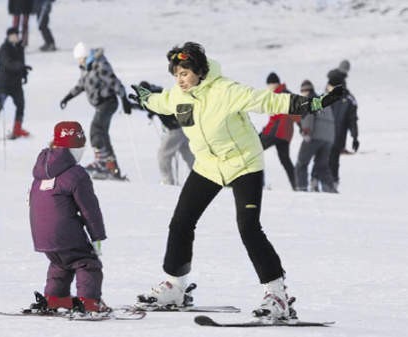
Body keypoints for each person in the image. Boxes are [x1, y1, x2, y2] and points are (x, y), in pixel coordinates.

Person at [129, 42, 343, 321]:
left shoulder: (226, 90)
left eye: (185, 73)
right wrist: (146, 97)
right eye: (176, 74)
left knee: (248, 228)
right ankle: (174, 286)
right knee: (181, 222)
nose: (180, 79)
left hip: (244, 164)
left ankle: (277, 295)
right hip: (208, 166)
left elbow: (269, 101)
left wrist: (310, 104)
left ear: (199, 70)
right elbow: (160, 102)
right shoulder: (177, 96)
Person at [29, 121, 109, 314]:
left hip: (42, 236)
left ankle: (54, 299)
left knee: (61, 262)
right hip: (65, 233)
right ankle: (89, 302)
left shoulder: (40, 172)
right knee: (86, 261)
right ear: (73, 149)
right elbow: (90, 209)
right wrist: (97, 237)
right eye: (81, 147)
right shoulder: (76, 174)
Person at [60, 42, 131, 180]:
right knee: (102, 134)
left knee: (96, 130)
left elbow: (113, 81)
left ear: (86, 56)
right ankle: (112, 168)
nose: (79, 61)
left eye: (80, 58)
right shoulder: (86, 67)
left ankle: (102, 164)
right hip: (100, 104)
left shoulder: (100, 64)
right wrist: (68, 97)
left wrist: (124, 98)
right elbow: (81, 84)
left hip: (108, 102)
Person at [131, 81, 194, 185]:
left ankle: (167, 181)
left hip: (176, 129)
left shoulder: (155, 94)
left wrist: (134, 106)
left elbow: (153, 104)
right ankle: (202, 178)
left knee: (163, 155)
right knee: (188, 155)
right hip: (184, 128)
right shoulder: (159, 91)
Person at [0, 27, 32, 139]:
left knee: (21, 105)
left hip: (16, 85)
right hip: (4, 84)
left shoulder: (20, 48)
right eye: (13, 35)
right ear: (9, 37)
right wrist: (20, 67)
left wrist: (24, 74)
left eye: (17, 34)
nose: (16, 37)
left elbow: (21, 64)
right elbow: (7, 63)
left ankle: (17, 129)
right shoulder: (4, 48)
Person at [294, 80, 336, 193]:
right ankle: (330, 189)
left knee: (301, 163)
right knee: (322, 166)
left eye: (302, 91)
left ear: (305, 91)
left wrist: (306, 132)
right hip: (328, 139)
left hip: (314, 137)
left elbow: (308, 116)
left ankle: (301, 188)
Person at [259, 72, 298, 190]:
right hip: (285, 134)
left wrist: (265, 131)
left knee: (254, 149)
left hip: (276, 131)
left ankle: (259, 184)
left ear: (273, 84)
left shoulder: (278, 95)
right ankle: (298, 185)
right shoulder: (288, 93)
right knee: (286, 160)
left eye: (269, 85)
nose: (268, 88)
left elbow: (275, 119)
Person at [322, 72, 359, 190]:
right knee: (323, 160)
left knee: (333, 160)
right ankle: (323, 183)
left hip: (338, 136)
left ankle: (333, 183)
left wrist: (355, 137)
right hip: (324, 135)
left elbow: (352, 120)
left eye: (329, 85)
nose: (327, 87)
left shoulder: (348, 100)